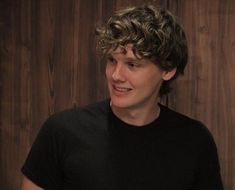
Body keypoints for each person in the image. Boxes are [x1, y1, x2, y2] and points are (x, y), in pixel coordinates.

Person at [21, 4, 223, 190]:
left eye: (132, 64)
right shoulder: (61, 132)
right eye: (111, 60)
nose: (115, 75)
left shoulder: (195, 141)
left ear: (168, 69)